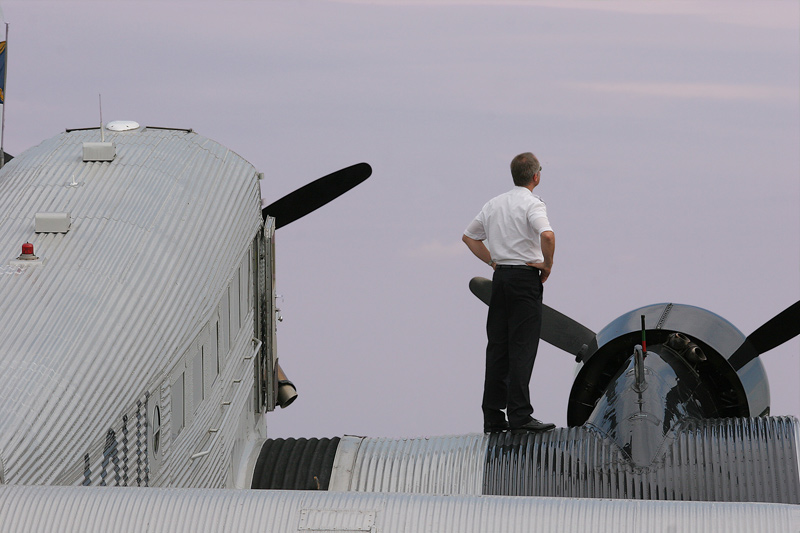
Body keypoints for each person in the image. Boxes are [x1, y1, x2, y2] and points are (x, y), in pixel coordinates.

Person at [462, 152, 556, 434]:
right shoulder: (532, 203)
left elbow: (469, 236)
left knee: (498, 347)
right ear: (536, 176)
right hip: (525, 279)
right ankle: (520, 415)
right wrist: (547, 265)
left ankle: (492, 416)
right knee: (522, 347)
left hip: (500, 278)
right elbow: (547, 235)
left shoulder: (494, 203)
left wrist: (492, 261)